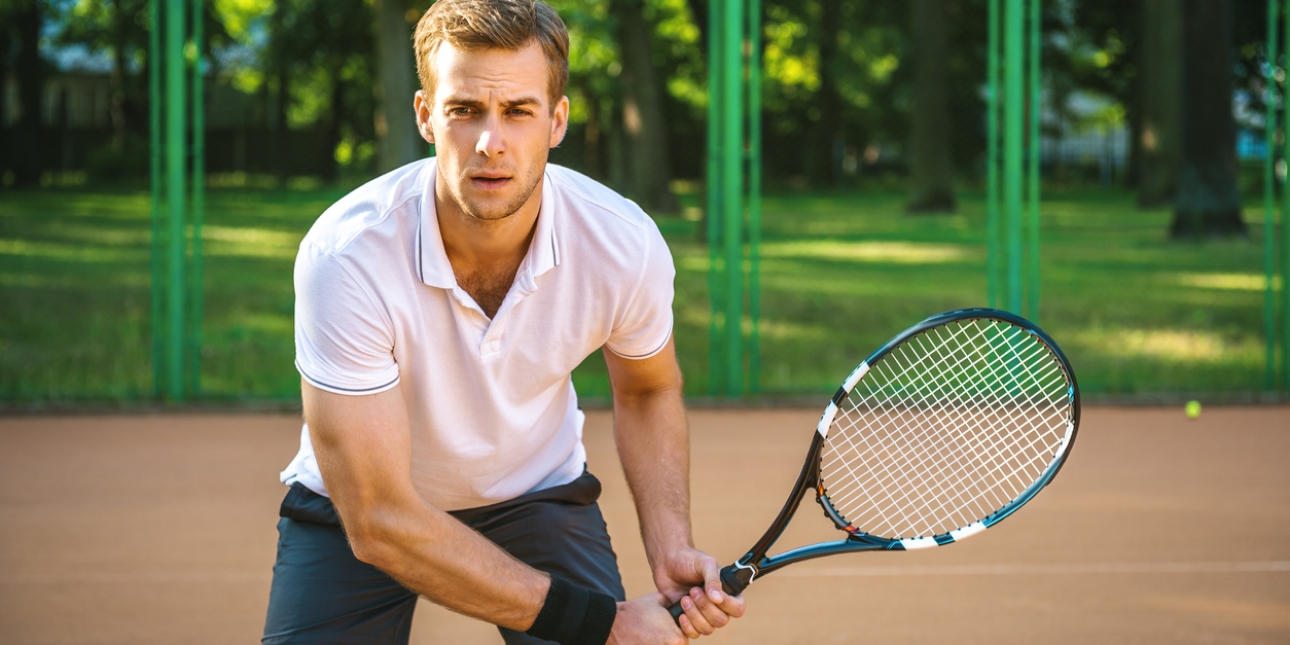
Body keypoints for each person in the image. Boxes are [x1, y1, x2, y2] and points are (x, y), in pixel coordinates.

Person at [261, 1, 745, 644]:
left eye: (518, 111)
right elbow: (378, 520)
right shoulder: (347, 255)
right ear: (427, 115)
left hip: (534, 496)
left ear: (557, 120)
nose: (491, 141)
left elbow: (648, 386)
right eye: (465, 110)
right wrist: (603, 623)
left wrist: (670, 546)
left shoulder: (621, 241)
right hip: (362, 512)